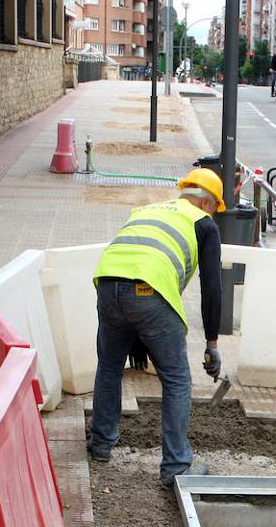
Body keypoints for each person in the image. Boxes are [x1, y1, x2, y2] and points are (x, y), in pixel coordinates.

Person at [88, 168, 226, 486]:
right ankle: (176, 466)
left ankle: (100, 445)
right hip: (150, 290)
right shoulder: (203, 223)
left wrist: (137, 336)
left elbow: (132, 268)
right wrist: (212, 343)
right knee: (177, 380)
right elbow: (212, 288)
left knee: (109, 366)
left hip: (107, 283)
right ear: (208, 203)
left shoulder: (146, 210)